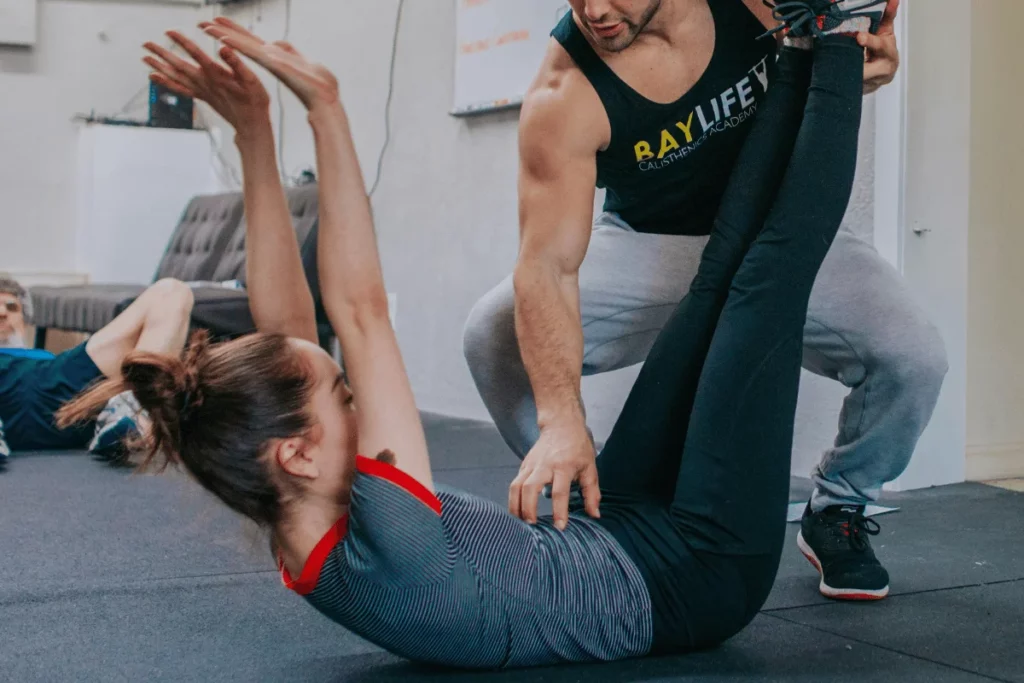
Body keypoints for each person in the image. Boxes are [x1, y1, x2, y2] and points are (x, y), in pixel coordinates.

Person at [63, 4, 879, 667]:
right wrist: (327, 108)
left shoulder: (295, 517)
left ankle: (802, 38)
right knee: (766, 281)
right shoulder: (392, 535)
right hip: (699, 574)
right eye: (344, 395)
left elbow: (292, 330)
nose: (360, 397)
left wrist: (254, 138)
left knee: (720, 280)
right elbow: (362, 311)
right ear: (299, 451)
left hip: (616, 527)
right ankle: (845, 27)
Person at [463, 0, 945, 601]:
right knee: (494, 331)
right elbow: (547, 266)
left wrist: (871, 65)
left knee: (912, 358)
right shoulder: (565, 91)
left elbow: (839, 45)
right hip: (654, 247)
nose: (595, 10)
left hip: (782, 234)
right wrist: (561, 420)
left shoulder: (758, 3)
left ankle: (838, 506)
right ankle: (602, 488)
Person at [0, 275, 193, 463]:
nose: (2, 312)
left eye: (11, 307)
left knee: (172, 292)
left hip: (62, 383)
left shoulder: (47, 360)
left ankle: (129, 409)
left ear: (25, 322)